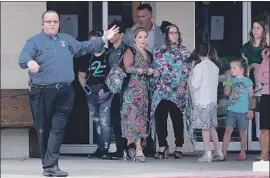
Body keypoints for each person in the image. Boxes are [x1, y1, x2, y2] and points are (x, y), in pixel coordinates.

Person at [18, 10, 119, 177]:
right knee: (43, 129)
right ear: (42, 24)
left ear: (59, 23)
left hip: (65, 92)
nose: (52, 24)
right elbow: (23, 57)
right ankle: (48, 164)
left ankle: (51, 166)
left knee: (57, 129)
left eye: (55, 21)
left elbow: (84, 47)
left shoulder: (66, 39)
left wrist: (103, 39)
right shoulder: (34, 41)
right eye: (49, 21)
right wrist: (30, 62)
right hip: (42, 92)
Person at [151, 21, 193, 159]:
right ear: (166, 35)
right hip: (161, 89)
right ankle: (163, 145)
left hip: (177, 91)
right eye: (172, 33)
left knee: (177, 118)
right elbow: (156, 68)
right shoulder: (158, 51)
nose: (174, 35)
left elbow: (186, 70)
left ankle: (179, 145)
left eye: (176, 33)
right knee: (161, 117)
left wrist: (182, 85)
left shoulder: (184, 51)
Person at [121, 25, 157, 163]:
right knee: (134, 121)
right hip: (132, 92)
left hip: (144, 92)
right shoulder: (131, 50)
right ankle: (138, 150)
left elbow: (151, 70)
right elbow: (127, 68)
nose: (143, 39)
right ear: (134, 39)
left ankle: (131, 147)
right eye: (140, 37)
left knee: (141, 121)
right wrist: (143, 71)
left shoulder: (148, 53)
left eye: (145, 37)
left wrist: (154, 72)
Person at [77, 30, 112, 159]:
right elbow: (81, 76)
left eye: (96, 40)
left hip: (106, 92)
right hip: (91, 90)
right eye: (91, 41)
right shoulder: (86, 56)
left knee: (105, 121)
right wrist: (87, 89)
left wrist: (106, 88)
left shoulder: (108, 55)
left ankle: (106, 149)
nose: (93, 43)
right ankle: (100, 148)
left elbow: (114, 75)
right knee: (96, 121)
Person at [190, 43, 224, 162]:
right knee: (211, 127)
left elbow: (195, 85)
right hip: (212, 101)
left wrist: (192, 75)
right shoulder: (215, 66)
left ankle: (207, 153)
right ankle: (218, 151)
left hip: (202, 101)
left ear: (199, 54)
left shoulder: (199, 67)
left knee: (205, 128)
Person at [222, 58, 254, 161]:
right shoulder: (231, 80)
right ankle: (224, 152)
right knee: (228, 130)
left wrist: (251, 110)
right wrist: (227, 80)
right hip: (231, 109)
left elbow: (251, 97)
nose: (231, 70)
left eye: (234, 68)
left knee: (242, 132)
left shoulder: (248, 81)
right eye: (230, 68)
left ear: (241, 69)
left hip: (243, 110)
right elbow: (226, 93)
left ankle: (242, 152)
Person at [105, 20, 129, 159]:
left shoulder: (127, 50)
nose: (111, 35)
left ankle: (128, 147)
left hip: (125, 89)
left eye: (114, 32)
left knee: (126, 119)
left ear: (121, 35)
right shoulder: (109, 52)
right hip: (113, 90)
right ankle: (120, 148)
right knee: (115, 120)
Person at [257, 46, 270, 161]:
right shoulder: (264, 59)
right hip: (266, 95)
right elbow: (260, 77)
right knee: (265, 127)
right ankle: (265, 155)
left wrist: (266, 77)